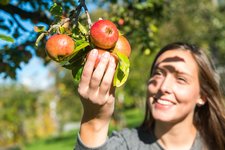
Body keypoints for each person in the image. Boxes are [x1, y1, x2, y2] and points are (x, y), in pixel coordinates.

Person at [74, 42, 225, 150]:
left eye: (181, 79)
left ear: (202, 96)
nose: (163, 87)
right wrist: (94, 121)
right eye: (158, 73)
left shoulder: (218, 142)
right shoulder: (125, 145)